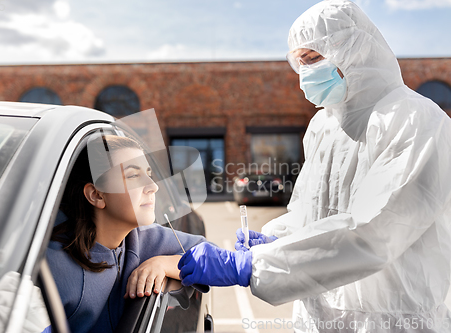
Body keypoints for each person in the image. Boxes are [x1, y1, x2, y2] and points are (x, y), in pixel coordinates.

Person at [177, 1, 451, 332]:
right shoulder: (324, 127)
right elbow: (310, 214)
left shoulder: (412, 119)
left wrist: (254, 265)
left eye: (314, 59)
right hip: (319, 318)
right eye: (300, 63)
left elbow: (374, 232)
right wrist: (271, 239)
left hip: (391, 321)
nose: (306, 73)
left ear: (355, 49)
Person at [46, 134, 205, 333]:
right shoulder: (50, 266)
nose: (153, 187)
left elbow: (211, 254)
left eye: (149, 174)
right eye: (133, 176)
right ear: (96, 195)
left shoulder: (144, 237)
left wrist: (165, 264)